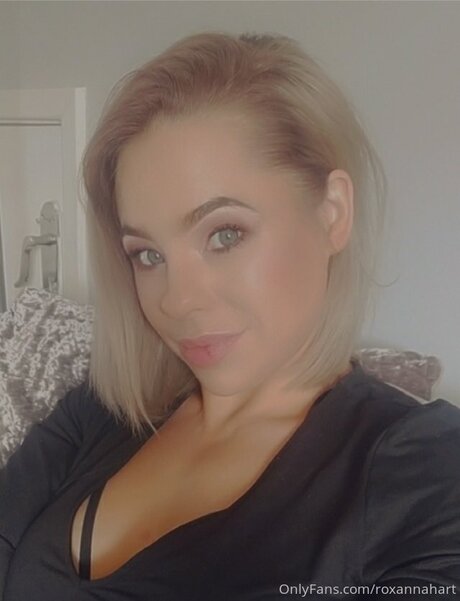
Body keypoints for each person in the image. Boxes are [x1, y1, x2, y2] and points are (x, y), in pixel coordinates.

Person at [1, 31, 459, 601]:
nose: (177, 301)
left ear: (332, 214)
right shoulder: (105, 409)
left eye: (224, 234)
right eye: (148, 255)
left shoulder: (424, 468)